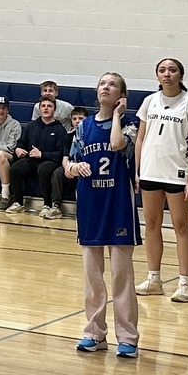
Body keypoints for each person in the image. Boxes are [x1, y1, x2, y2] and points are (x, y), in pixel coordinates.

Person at [64, 72, 141, 358]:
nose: (105, 87)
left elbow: (119, 145)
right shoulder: (83, 127)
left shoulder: (131, 124)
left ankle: (128, 337)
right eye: (102, 84)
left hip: (118, 206)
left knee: (122, 276)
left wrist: (118, 115)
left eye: (112, 84)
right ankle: (94, 333)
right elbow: (69, 163)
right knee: (92, 277)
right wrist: (75, 168)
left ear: (121, 94)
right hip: (90, 205)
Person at [134, 58, 188, 304]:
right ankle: (154, 278)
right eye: (162, 70)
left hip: (177, 173)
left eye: (172, 70)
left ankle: (184, 282)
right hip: (150, 172)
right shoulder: (149, 102)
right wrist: (138, 169)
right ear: (157, 76)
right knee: (152, 225)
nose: (167, 74)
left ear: (180, 75)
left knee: (181, 226)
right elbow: (141, 139)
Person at [9, 97, 70, 219]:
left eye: (49, 106)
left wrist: (42, 154)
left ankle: (47, 204)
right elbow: (21, 143)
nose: (46, 108)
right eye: (43, 106)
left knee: (44, 169)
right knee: (15, 168)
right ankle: (18, 202)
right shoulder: (32, 126)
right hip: (32, 160)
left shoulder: (59, 129)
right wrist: (18, 149)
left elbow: (60, 154)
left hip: (50, 161)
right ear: (39, 109)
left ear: (54, 110)